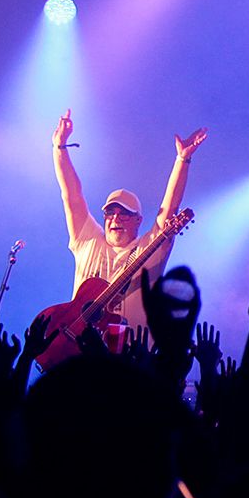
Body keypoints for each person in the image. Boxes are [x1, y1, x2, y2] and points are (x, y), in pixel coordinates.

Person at [51, 108, 208, 335]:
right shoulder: (88, 241)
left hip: (130, 352)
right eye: (110, 212)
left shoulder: (148, 248)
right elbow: (71, 196)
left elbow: (169, 209)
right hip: (77, 345)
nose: (115, 218)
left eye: (124, 213)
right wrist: (60, 148)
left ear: (138, 220)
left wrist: (182, 159)